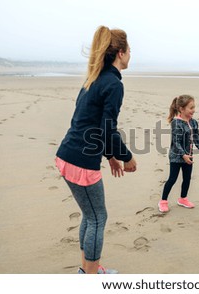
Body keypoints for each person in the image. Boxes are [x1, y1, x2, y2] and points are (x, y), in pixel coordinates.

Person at [55, 26, 137, 273]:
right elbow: (107, 129)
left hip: (67, 154)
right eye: (130, 49)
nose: (131, 54)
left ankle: (87, 269)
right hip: (81, 161)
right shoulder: (112, 83)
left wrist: (110, 155)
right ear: (121, 53)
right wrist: (127, 157)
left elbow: (90, 124)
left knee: (89, 215)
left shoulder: (95, 77)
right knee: (97, 218)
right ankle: (90, 277)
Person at [158, 95, 199, 213]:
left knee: (187, 178)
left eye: (194, 107)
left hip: (189, 155)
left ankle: (183, 199)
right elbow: (176, 142)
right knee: (172, 179)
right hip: (176, 156)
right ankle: (163, 201)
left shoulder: (193, 122)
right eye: (191, 108)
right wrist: (183, 155)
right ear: (182, 109)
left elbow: (196, 137)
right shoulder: (176, 123)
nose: (193, 110)